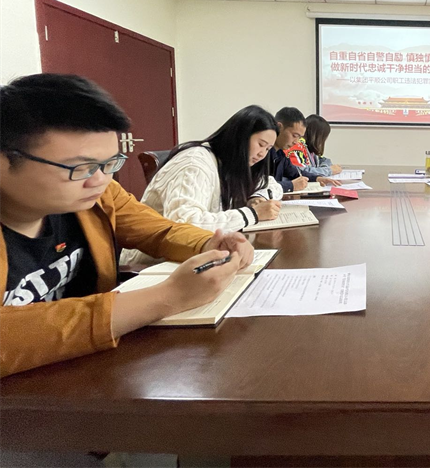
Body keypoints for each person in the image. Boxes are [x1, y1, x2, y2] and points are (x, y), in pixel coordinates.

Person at [0, 74, 254, 379]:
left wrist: (208, 243)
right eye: (81, 167)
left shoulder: (99, 196)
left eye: (110, 164)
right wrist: (167, 297)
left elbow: (158, 230)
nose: (100, 180)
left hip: (87, 368)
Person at [120, 106, 282, 265]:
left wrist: (258, 197)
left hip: (194, 256)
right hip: (151, 263)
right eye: (261, 144)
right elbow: (185, 228)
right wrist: (252, 214)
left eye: (268, 149)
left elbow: (272, 184)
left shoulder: (230, 165)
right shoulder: (195, 164)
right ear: (240, 136)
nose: (262, 154)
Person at [269, 107, 340, 193]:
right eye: (295, 136)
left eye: (299, 137)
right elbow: (262, 186)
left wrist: (317, 178)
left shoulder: (280, 154)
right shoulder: (263, 154)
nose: (296, 142)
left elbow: (297, 173)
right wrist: (291, 185)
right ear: (279, 127)